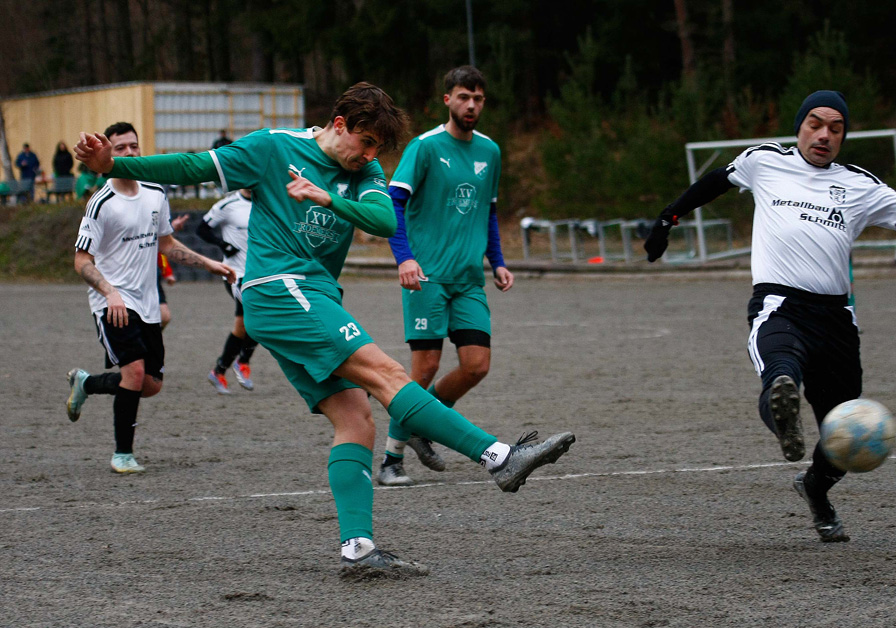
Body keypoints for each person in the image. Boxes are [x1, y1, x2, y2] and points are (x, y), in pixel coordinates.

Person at [75, 82, 575, 579]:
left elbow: (382, 219)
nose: (370, 156)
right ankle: (498, 457)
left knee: (356, 419)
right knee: (387, 372)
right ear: (339, 125)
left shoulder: (365, 167)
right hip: (279, 287)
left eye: (378, 148)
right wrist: (113, 165)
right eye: (365, 143)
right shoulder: (273, 147)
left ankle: (357, 548)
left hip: (310, 296)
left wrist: (328, 199)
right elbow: (193, 167)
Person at [646, 91, 896, 543]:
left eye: (835, 127)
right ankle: (783, 414)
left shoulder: (860, 185)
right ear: (799, 127)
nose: (823, 134)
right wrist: (667, 218)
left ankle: (815, 488)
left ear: (844, 136)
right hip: (779, 304)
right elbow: (715, 181)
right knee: (780, 372)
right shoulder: (764, 161)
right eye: (814, 123)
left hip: (836, 321)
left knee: (843, 434)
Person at [66, 122, 237, 474]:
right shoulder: (101, 203)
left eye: (134, 146)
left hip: (146, 303)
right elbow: (81, 260)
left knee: (150, 385)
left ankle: (87, 382)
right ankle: (122, 455)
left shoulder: (155, 193)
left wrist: (210, 264)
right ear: (107, 155)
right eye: (121, 148)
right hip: (112, 303)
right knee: (134, 373)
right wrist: (109, 292)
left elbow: (167, 245)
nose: (129, 153)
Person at [376, 66, 514, 487]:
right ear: (447, 100)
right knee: (424, 367)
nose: (471, 105)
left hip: (469, 278)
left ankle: (425, 421)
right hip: (427, 276)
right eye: (463, 97)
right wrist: (404, 258)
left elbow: (487, 212)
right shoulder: (424, 147)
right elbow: (392, 206)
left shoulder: (490, 151)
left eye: (478, 98)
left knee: (476, 366)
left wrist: (499, 260)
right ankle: (390, 458)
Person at [197, 188, 259, 393]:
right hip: (236, 274)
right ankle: (242, 362)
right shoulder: (227, 205)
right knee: (259, 316)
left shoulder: (267, 202)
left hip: (261, 273)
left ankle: (220, 370)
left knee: (246, 326)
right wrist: (222, 244)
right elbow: (202, 229)